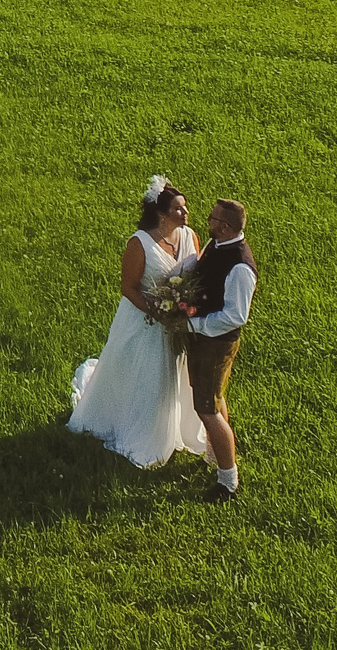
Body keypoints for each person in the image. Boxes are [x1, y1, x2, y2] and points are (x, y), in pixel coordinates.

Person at [68, 178, 208, 468]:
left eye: (185, 207)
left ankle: (177, 428)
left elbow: (196, 275)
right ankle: (141, 430)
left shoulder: (189, 236)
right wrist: (159, 313)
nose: (186, 213)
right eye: (179, 209)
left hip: (178, 324)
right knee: (145, 376)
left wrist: (185, 309)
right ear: (161, 214)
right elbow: (128, 287)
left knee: (177, 377)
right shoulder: (139, 243)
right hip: (144, 321)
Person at [184, 198, 257, 501]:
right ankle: (214, 455)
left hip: (215, 343)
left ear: (224, 227)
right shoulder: (219, 246)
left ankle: (228, 481)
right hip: (205, 341)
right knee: (213, 398)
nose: (208, 221)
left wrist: (193, 326)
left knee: (207, 409)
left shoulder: (239, 265)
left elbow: (235, 316)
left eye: (212, 218)